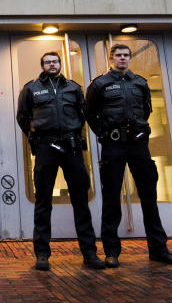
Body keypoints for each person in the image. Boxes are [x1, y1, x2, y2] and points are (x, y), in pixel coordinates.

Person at [85, 43, 172, 268]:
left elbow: (146, 109)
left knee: (149, 197)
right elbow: (90, 113)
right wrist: (105, 134)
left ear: (130, 58)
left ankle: (158, 250)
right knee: (111, 200)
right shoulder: (99, 84)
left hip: (138, 145)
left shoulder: (140, 83)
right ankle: (111, 252)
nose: (122, 59)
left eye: (126, 55)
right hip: (113, 145)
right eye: (118, 55)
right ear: (111, 59)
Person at [16, 51, 105, 271]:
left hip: (71, 147)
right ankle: (42, 254)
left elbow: (83, 115)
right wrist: (34, 139)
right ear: (42, 65)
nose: (52, 65)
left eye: (55, 61)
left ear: (60, 64)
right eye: (47, 62)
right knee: (43, 201)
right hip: (46, 147)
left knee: (81, 200)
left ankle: (90, 253)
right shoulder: (31, 88)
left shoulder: (74, 88)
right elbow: (22, 117)